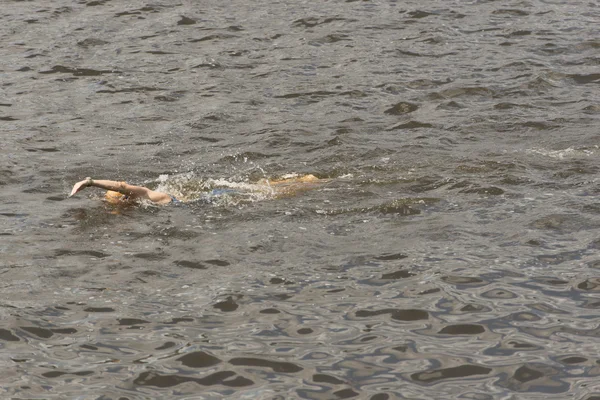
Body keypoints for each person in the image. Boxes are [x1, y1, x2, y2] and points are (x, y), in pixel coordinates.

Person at [69, 174, 325, 205]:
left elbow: (123, 186)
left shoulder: (151, 197)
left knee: (268, 193)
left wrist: (90, 182)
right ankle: (302, 180)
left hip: (214, 199)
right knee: (258, 189)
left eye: (111, 199)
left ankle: (307, 182)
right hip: (207, 199)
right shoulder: (141, 205)